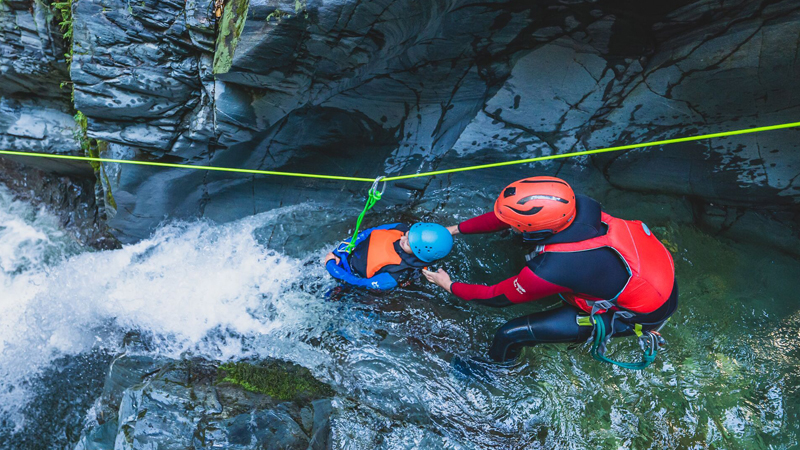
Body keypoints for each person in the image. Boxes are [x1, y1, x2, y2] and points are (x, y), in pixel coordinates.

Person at [423, 176, 678, 363]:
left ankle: (495, 375)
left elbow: (496, 298)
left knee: (509, 333)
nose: (508, 225)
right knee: (518, 240)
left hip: (640, 315)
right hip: (649, 274)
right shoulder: (576, 205)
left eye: (516, 225)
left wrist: (447, 284)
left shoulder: (550, 269)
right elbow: (505, 218)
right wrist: (454, 230)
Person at [325, 223, 453, 290]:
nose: (402, 237)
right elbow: (367, 233)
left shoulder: (396, 274)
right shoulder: (400, 228)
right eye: (408, 233)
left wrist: (332, 267)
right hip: (343, 257)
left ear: (418, 253)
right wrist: (339, 251)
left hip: (348, 276)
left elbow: (359, 283)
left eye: (407, 242)